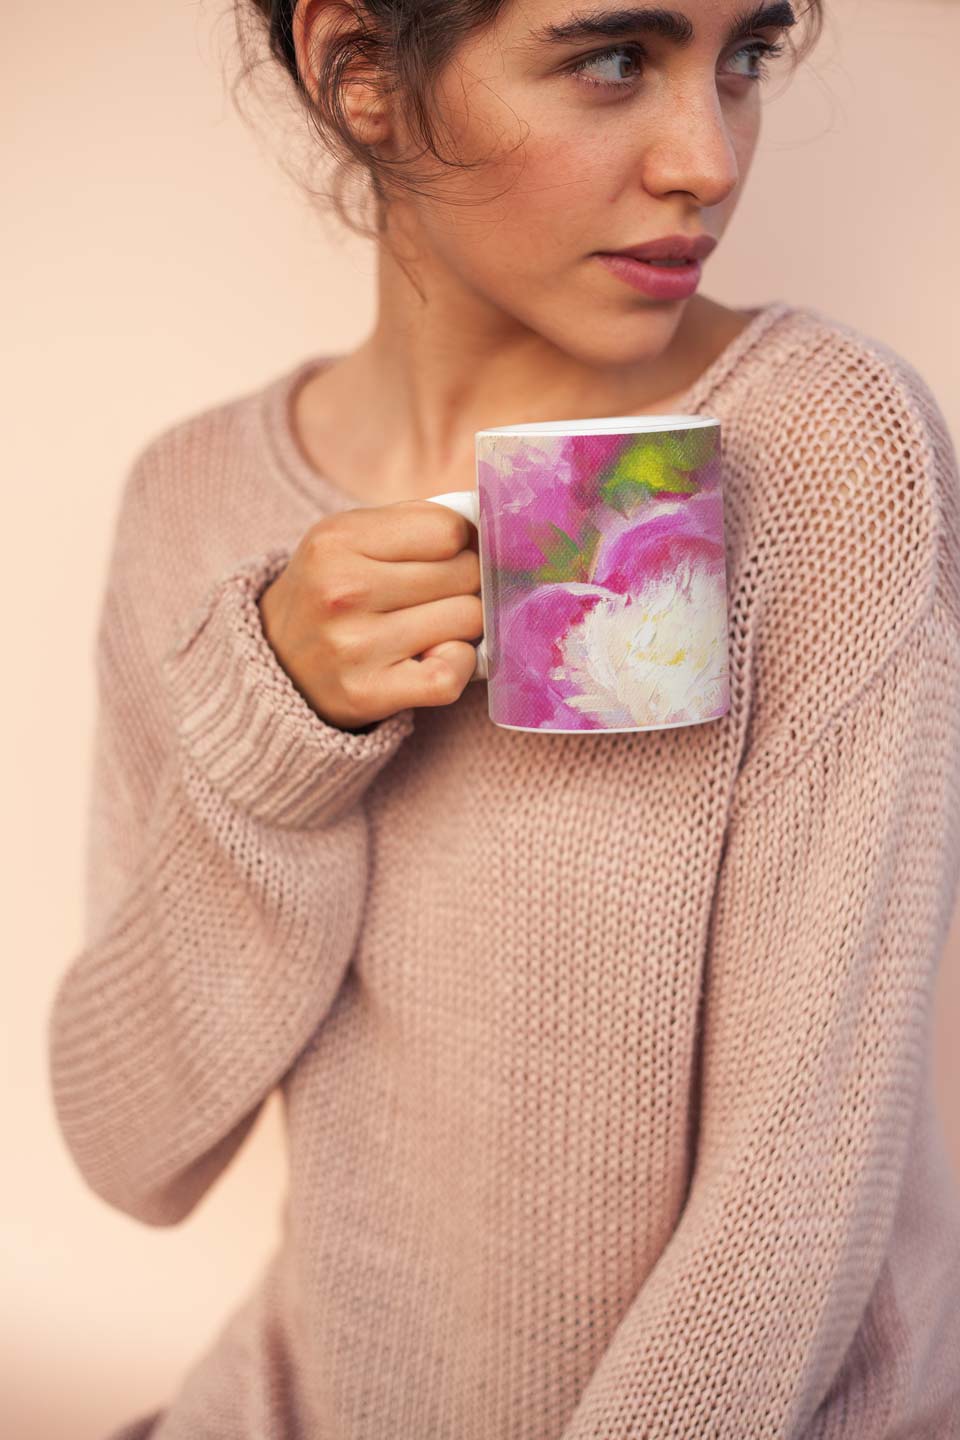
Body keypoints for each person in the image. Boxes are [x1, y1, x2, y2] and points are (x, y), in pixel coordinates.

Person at [48, 1, 960, 1436]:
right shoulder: (194, 500)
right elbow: (129, 1149)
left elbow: (802, 1179)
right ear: (356, 67)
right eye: (613, 59)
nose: (707, 159)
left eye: (748, 56)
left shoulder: (825, 445)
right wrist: (273, 740)